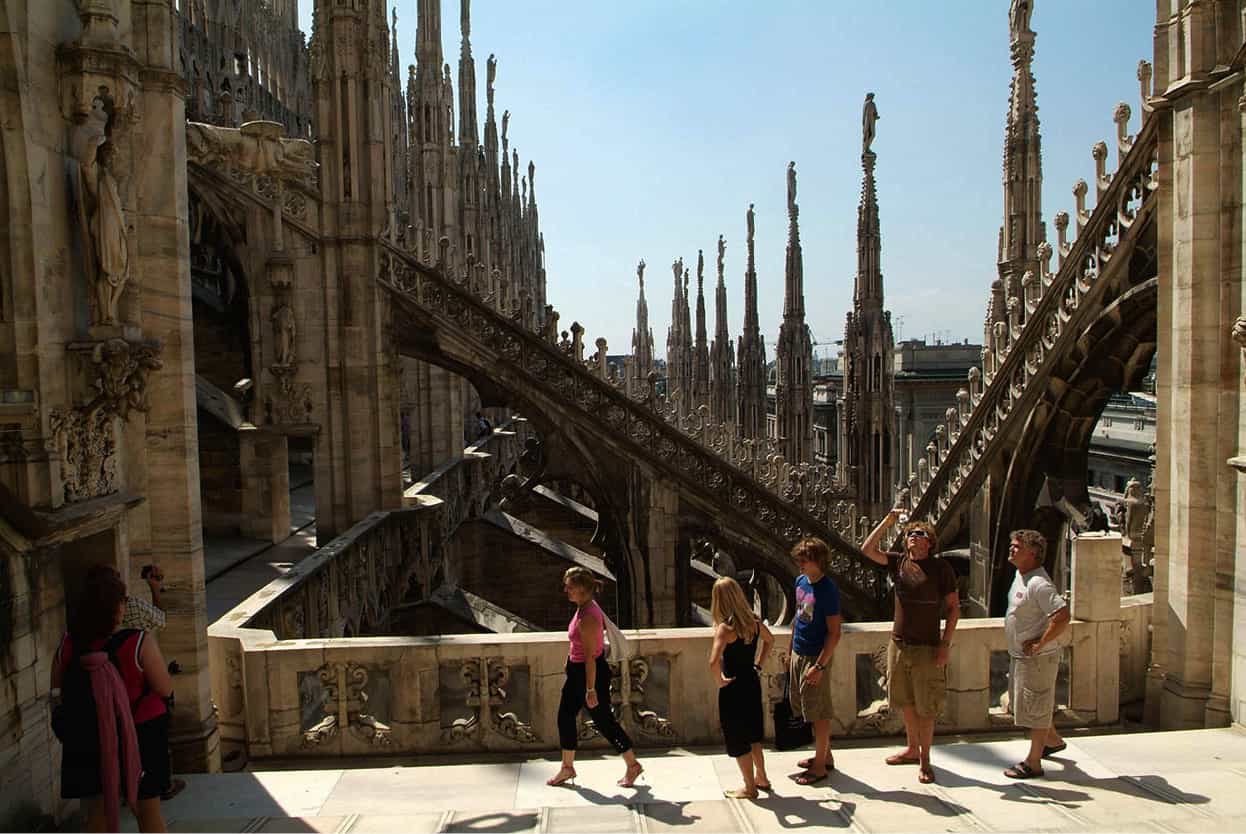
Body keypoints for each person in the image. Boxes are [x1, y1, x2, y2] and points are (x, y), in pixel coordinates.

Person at [53, 564, 174, 832]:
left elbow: (56, 692)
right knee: (148, 810)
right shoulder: (137, 642)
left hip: (88, 735)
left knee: (96, 811)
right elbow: (165, 688)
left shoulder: (69, 644)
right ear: (117, 607)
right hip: (141, 732)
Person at [862, 512, 959, 784]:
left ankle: (926, 760)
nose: (913, 538)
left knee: (925, 706)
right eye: (909, 535)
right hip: (899, 644)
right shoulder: (898, 563)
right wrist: (888, 522)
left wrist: (945, 644)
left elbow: (953, 609)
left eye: (920, 535)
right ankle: (911, 748)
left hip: (927, 647)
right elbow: (867, 549)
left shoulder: (941, 569)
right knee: (905, 701)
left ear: (931, 543)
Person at [547, 567, 643, 788]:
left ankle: (632, 765)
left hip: (588, 674)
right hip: (578, 671)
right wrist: (569, 661)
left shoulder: (588, 615)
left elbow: (591, 657)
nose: (566, 590)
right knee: (567, 716)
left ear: (581, 589)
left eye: (569, 587)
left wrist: (590, 690)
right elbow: (579, 647)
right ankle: (567, 767)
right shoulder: (584, 607)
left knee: (603, 721)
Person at [1002, 529, 1071, 779]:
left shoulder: (1039, 584)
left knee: (1037, 707)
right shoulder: (1021, 575)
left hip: (1038, 659)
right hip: (1021, 656)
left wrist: (1040, 644)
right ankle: (1051, 741)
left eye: (1017, 547)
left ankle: (1033, 762)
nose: (1011, 549)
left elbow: (1062, 616)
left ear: (1032, 553)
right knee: (1027, 705)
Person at [709, 576, 774, 799]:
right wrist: (758, 664)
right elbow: (770, 640)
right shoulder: (753, 622)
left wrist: (719, 681)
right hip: (751, 682)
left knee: (738, 738)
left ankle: (749, 787)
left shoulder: (725, 629)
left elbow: (713, 661)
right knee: (754, 734)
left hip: (733, 687)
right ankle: (762, 777)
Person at [786, 537, 842, 786]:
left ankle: (819, 767)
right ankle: (825, 755)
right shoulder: (801, 581)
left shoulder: (828, 590)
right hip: (799, 651)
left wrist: (820, 666)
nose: (799, 563)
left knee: (818, 713)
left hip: (815, 655)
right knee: (804, 707)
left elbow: (834, 632)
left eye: (804, 560)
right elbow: (798, 618)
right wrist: (790, 650)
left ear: (817, 562)